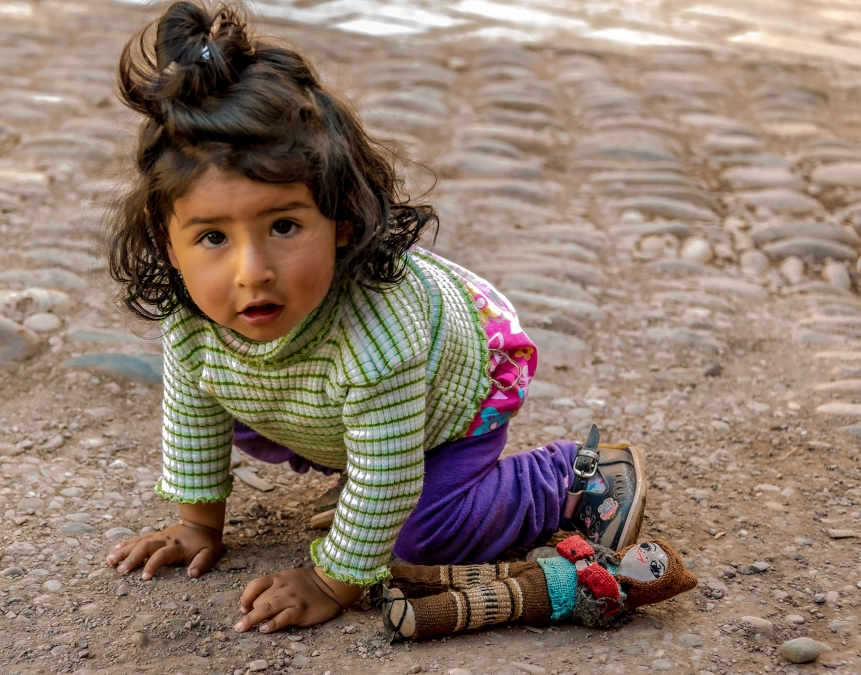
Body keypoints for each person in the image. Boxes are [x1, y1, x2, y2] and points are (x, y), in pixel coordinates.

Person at [103, 0, 647, 635]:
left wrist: (332, 578)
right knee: (234, 397)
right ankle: (354, 464)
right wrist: (196, 524)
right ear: (169, 245)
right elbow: (193, 413)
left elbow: (389, 474)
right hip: (339, 404)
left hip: (452, 403)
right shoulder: (194, 315)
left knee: (420, 535)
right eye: (213, 238)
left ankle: (569, 476)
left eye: (283, 226)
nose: (252, 272)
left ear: (342, 221)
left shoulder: (375, 336)